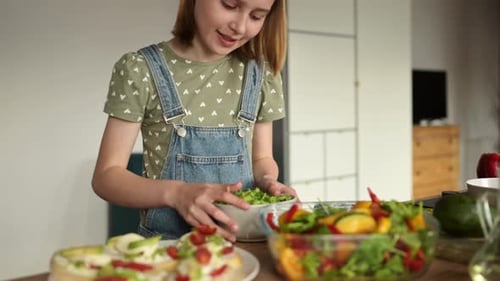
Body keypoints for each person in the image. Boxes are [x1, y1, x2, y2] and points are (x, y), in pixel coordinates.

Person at [91, 0, 297, 242]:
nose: (239, 26)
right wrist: (177, 193)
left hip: (242, 245)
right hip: (168, 249)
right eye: (230, 5)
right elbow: (106, 177)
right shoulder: (141, 69)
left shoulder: (261, 76)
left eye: (257, 16)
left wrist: (268, 181)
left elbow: (262, 159)